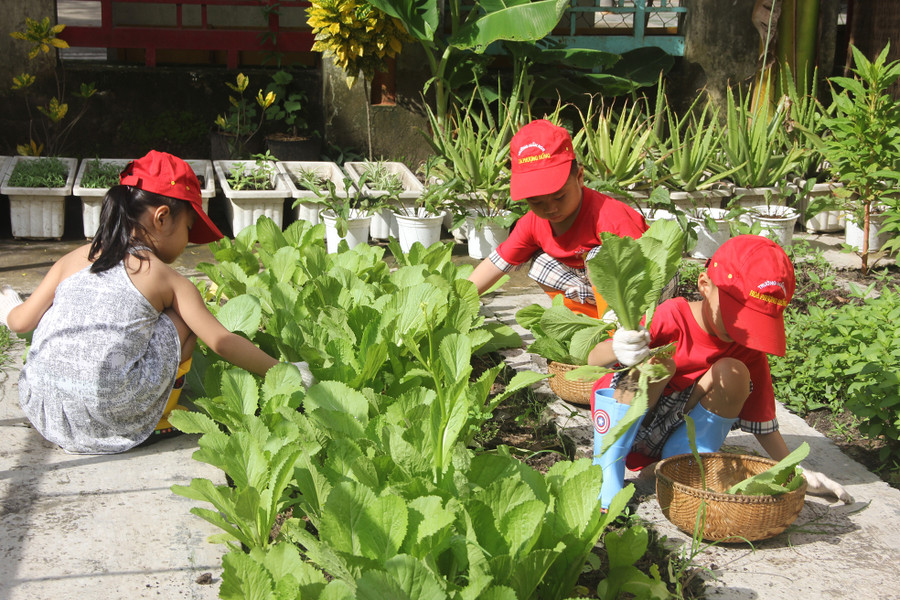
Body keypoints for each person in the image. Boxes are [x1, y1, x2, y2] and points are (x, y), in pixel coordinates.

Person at [0, 150, 311, 454]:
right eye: (188, 229)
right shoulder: (164, 278)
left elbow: (20, 322)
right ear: (162, 218)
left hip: (46, 409)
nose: (188, 242)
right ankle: (161, 417)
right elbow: (222, 342)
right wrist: (287, 371)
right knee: (186, 321)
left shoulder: (74, 258)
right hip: (111, 413)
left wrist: (10, 304)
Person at [586, 235, 853, 508]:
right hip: (628, 420)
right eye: (736, 313)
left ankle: (681, 462)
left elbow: (762, 422)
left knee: (733, 372)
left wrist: (792, 470)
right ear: (705, 285)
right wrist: (621, 347)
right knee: (661, 365)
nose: (741, 330)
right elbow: (594, 359)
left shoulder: (746, 345)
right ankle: (608, 466)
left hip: (679, 426)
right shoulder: (672, 316)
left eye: (755, 322)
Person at [467, 119, 648, 318]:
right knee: (541, 264)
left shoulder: (608, 216)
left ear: (580, 177)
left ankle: (619, 323)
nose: (551, 208)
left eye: (560, 196)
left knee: (601, 257)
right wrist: (461, 298)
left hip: (643, 285)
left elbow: (646, 267)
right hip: (595, 289)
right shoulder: (533, 223)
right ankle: (590, 321)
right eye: (536, 202)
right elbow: (497, 264)